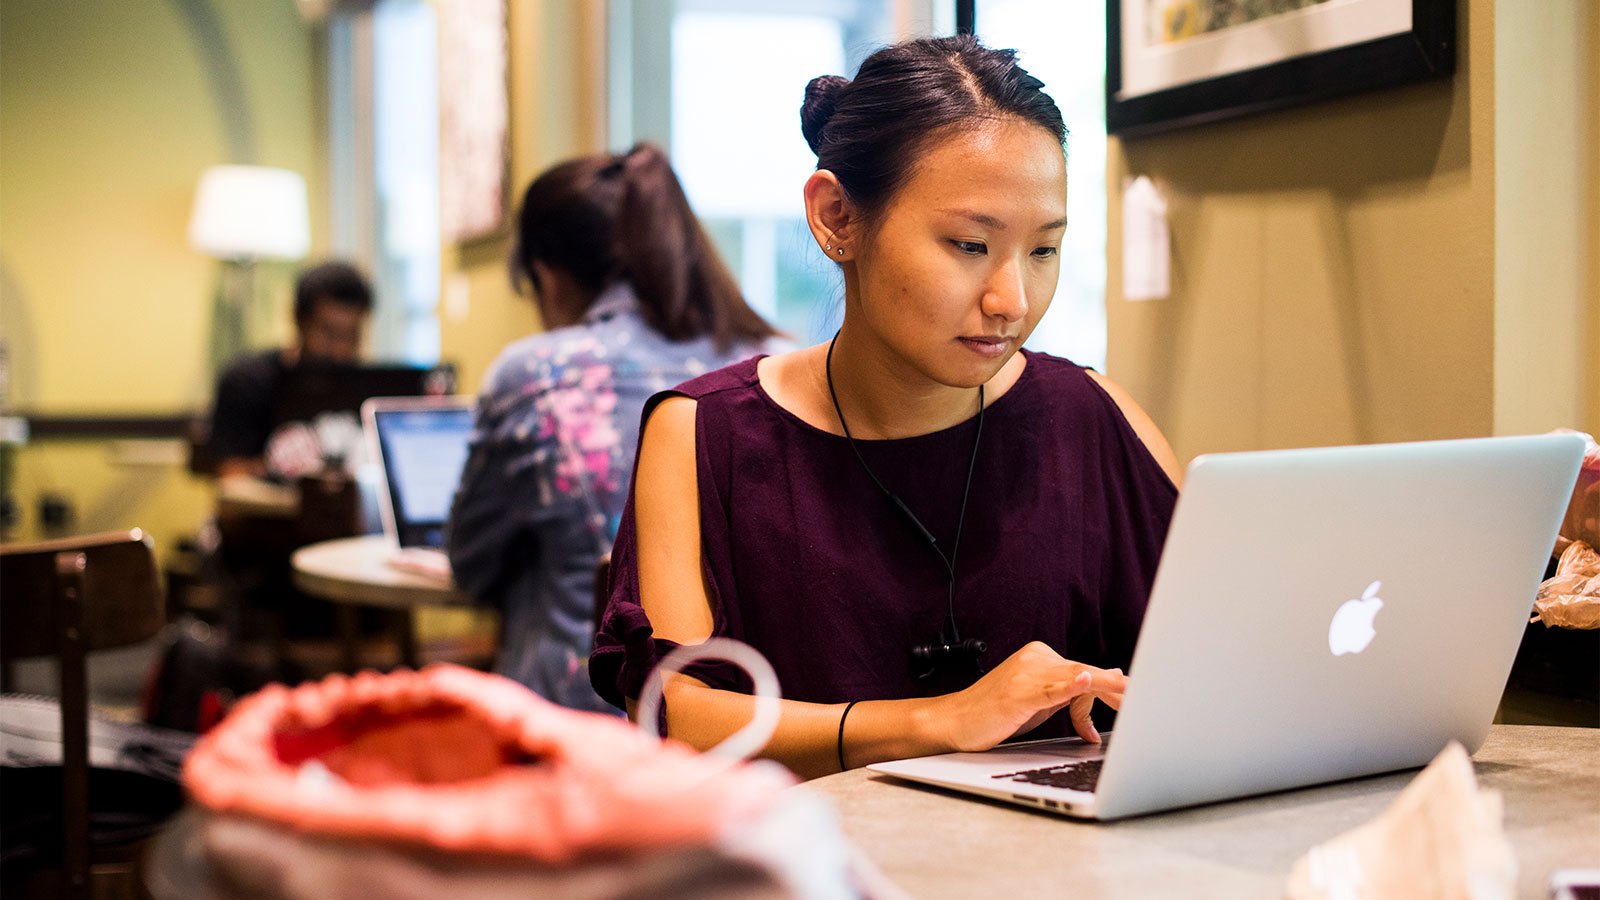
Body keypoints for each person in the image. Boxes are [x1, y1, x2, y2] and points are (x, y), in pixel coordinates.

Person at [591, 35, 1185, 779]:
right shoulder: (703, 432)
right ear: (838, 216)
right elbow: (677, 714)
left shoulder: (1092, 416)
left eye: (1044, 251)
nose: (1013, 301)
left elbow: (1218, 659)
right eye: (970, 245)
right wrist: (936, 721)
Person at [447, 143, 784, 713]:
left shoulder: (534, 373)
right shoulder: (775, 363)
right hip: (749, 718)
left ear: (548, 274)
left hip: (573, 715)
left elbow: (472, 563)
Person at [207, 261, 374, 478]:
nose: (340, 350)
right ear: (298, 318)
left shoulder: (371, 388)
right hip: (270, 512)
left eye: (351, 336)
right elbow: (231, 479)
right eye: (329, 333)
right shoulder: (248, 381)